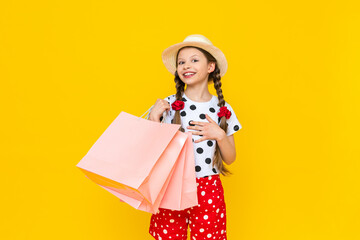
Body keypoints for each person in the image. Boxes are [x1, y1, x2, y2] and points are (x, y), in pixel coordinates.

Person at [147, 34, 242, 240]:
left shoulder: (223, 109)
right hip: (172, 185)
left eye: (194, 60)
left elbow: (230, 158)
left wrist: (220, 135)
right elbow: (151, 150)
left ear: (210, 67)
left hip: (208, 187)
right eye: (181, 62)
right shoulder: (168, 105)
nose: (185, 65)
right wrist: (154, 117)